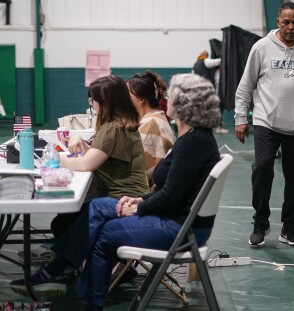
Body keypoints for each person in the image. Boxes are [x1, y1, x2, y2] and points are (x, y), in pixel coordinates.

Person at [10, 74, 222, 309]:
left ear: (185, 105)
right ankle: (60, 270)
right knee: (98, 207)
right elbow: (169, 190)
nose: (166, 100)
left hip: (180, 228)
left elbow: (171, 196)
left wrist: (139, 206)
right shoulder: (191, 139)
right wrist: (140, 199)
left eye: (171, 96)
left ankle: (86, 297)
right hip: (175, 218)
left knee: (105, 232)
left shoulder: (194, 142)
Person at [234, 1, 294, 248]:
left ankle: (290, 228)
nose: (291, 27)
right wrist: (241, 118)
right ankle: (260, 221)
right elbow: (246, 85)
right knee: (262, 167)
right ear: (278, 22)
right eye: (286, 22)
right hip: (267, 120)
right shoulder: (261, 48)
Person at [50, 75, 150, 239]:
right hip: (135, 196)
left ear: (103, 102)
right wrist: (80, 141)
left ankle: (71, 261)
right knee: (65, 218)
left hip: (121, 198)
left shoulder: (111, 129)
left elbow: (86, 165)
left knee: (62, 223)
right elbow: (106, 155)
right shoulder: (124, 124)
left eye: (93, 100)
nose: (92, 105)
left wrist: (57, 159)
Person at [127, 70, 176, 187]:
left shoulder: (151, 125)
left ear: (141, 99)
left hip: (144, 194)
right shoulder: (155, 117)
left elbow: (135, 173)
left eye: (127, 94)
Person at [193, 50, 228, 134]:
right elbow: (219, 61)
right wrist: (226, 57)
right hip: (208, 90)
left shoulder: (195, 64)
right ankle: (218, 127)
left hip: (199, 90)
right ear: (205, 55)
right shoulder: (205, 61)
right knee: (216, 108)